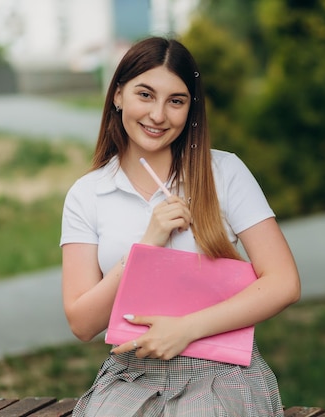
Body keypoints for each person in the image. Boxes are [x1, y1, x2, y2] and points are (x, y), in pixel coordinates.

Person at [60, 36, 301, 417]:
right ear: (118, 95)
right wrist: (146, 248)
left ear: (191, 109)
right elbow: (82, 322)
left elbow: (284, 282)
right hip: (132, 372)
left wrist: (186, 329)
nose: (158, 115)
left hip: (220, 370)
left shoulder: (224, 173)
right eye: (145, 94)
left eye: (176, 101)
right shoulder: (87, 194)